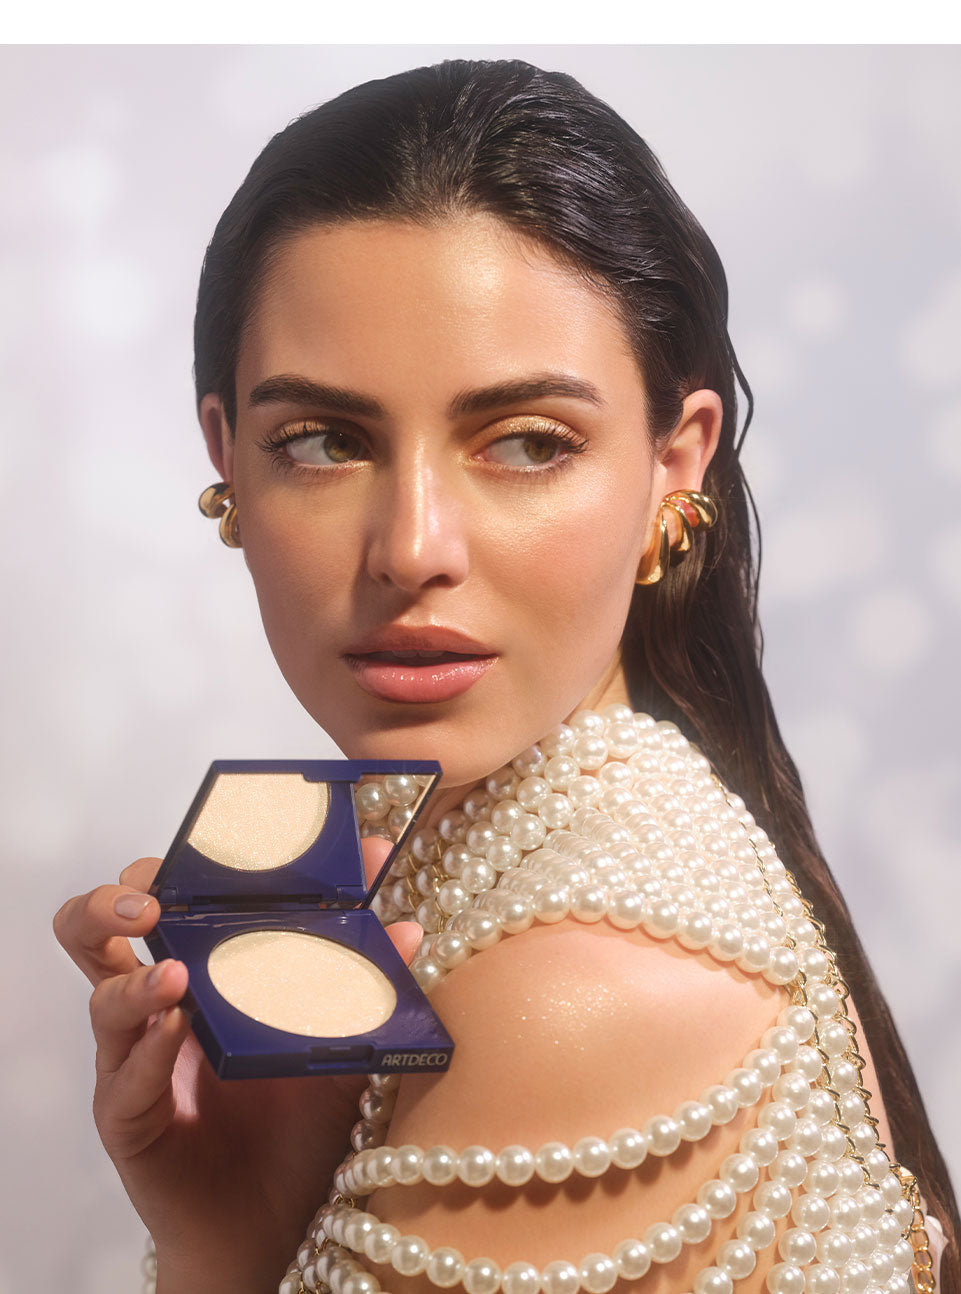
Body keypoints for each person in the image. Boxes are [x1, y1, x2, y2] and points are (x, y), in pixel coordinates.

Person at [53, 58, 956, 1294]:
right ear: (226, 461)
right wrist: (241, 1222)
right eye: (321, 441)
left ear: (672, 465)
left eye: (527, 442)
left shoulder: (579, 985)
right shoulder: (569, 828)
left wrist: (229, 1261)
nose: (413, 546)